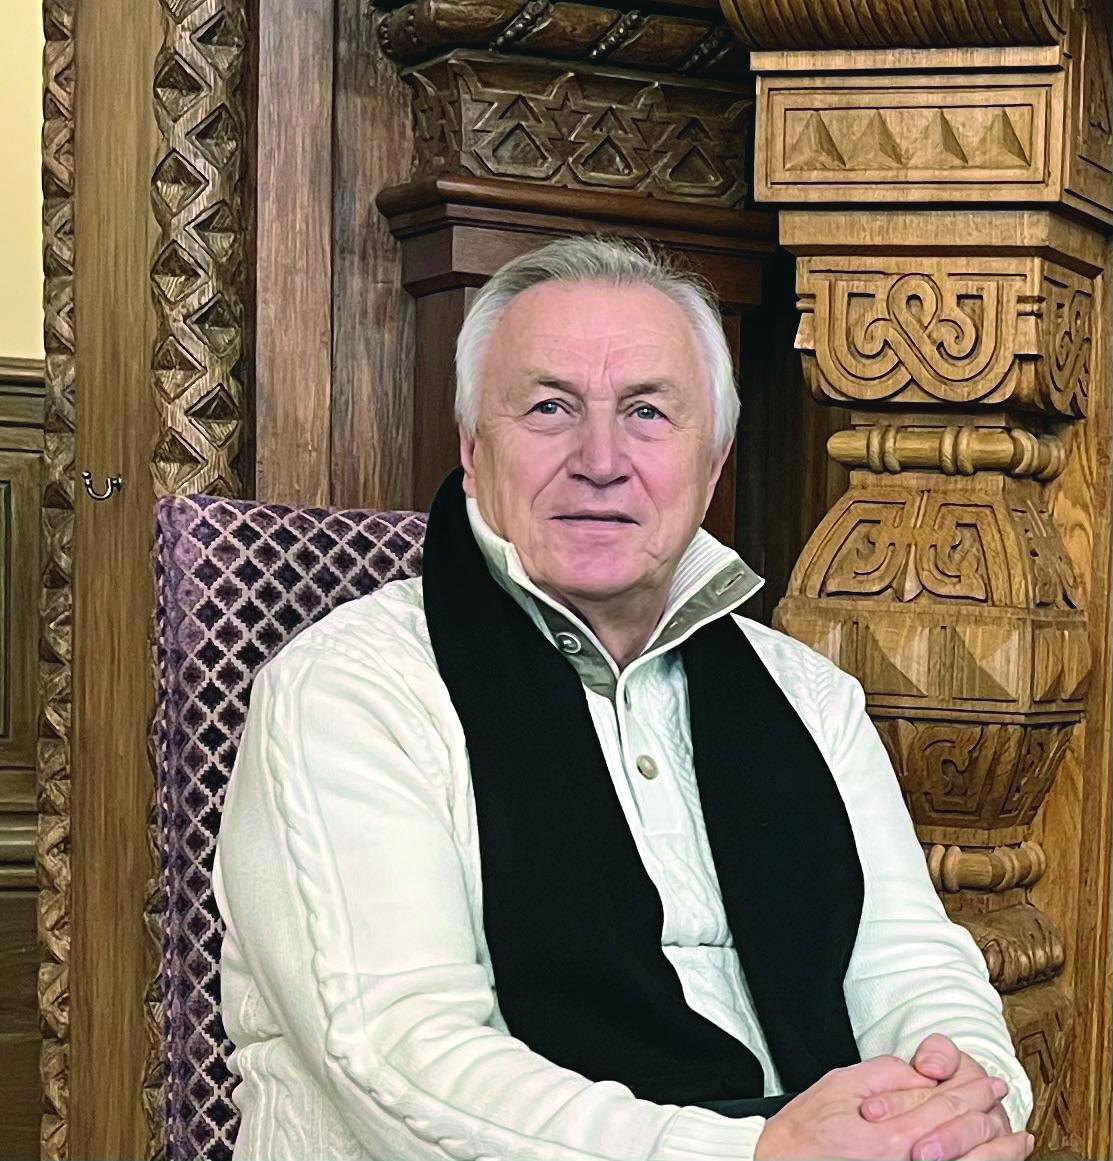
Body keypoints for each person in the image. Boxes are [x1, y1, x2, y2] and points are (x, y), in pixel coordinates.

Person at [214, 236, 1034, 1160]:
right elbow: (399, 1062)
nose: (599, 458)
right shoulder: (348, 690)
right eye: (549, 407)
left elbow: (909, 964)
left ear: (712, 460)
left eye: (646, 411)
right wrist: (753, 1155)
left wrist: (961, 1107)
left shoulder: (809, 696)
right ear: (473, 450)